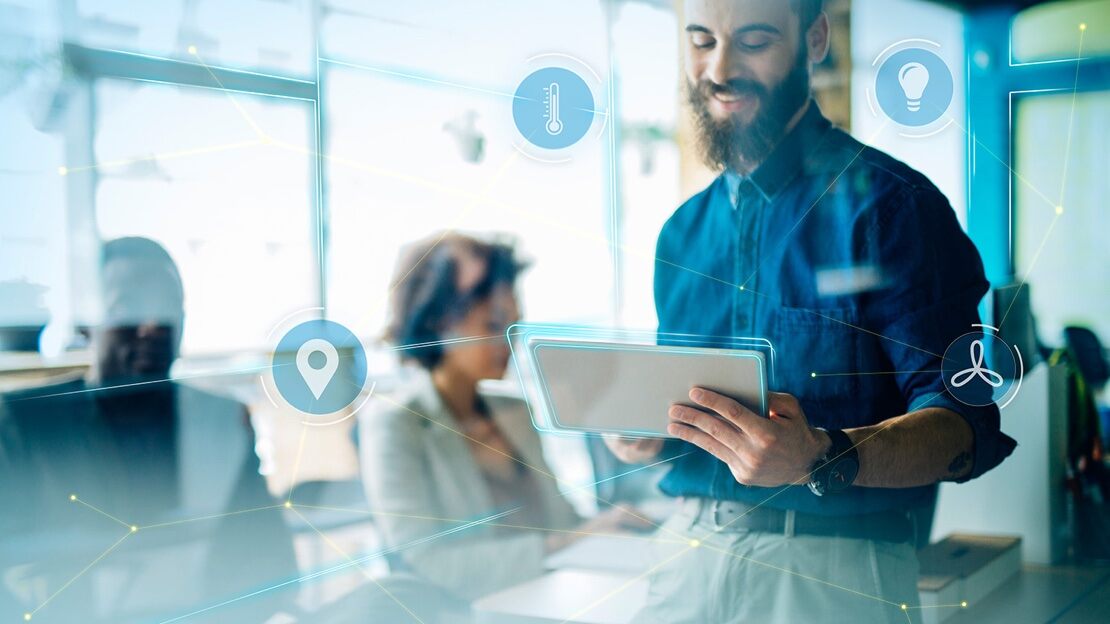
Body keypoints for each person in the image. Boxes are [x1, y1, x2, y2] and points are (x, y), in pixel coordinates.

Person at [604, 1, 1017, 622]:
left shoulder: (894, 209)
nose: (719, 68)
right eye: (701, 41)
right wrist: (648, 435)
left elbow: (966, 425)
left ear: (815, 39)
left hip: (828, 574)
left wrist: (822, 455)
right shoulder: (680, 234)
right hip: (686, 553)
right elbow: (699, 421)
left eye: (754, 41)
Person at [0, 237, 297, 623]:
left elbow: (269, 557)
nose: (153, 326)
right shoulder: (29, 421)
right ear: (88, 323)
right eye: (129, 307)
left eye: (167, 310)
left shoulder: (222, 422)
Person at [359, 233, 642, 604]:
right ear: (438, 325)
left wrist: (606, 525)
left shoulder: (514, 410)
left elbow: (560, 518)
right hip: (473, 607)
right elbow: (428, 562)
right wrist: (568, 542)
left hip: (554, 592)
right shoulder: (396, 424)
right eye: (492, 325)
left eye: (514, 325)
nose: (510, 342)